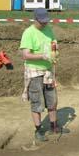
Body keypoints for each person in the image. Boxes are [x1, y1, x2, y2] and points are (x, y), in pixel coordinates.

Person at [20, 8, 69, 142]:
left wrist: (55, 51)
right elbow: (25, 54)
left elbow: (54, 44)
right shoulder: (28, 33)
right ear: (35, 19)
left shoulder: (49, 30)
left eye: (46, 22)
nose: (44, 24)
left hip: (48, 71)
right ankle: (39, 130)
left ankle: (54, 127)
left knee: (52, 100)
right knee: (37, 103)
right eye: (41, 22)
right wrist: (43, 55)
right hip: (34, 71)